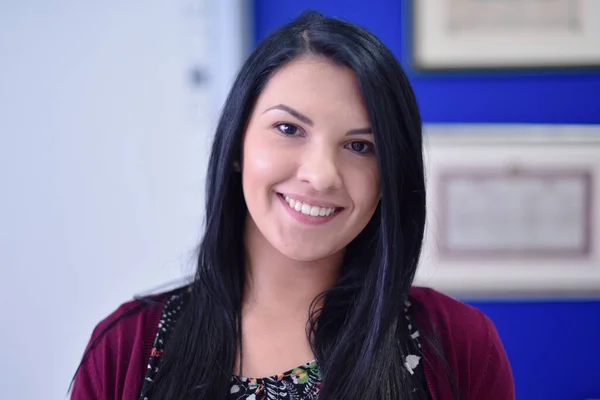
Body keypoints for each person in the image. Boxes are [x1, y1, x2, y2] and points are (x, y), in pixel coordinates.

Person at [70, 10, 514, 400]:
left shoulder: (459, 345)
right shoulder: (124, 346)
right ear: (237, 145)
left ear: (390, 176)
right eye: (288, 129)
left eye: (360, 146)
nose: (321, 174)